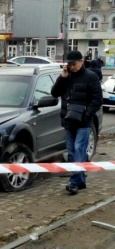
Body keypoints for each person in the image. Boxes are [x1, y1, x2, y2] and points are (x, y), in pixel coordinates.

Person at [51, 50, 103, 195]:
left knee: (79, 149)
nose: (71, 66)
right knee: (72, 152)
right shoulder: (66, 77)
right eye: (69, 64)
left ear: (81, 62)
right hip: (68, 121)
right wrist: (62, 78)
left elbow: (97, 100)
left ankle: (74, 182)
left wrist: (87, 115)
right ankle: (81, 181)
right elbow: (54, 93)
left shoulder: (91, 77)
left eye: (73, 64)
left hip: (83, 122)